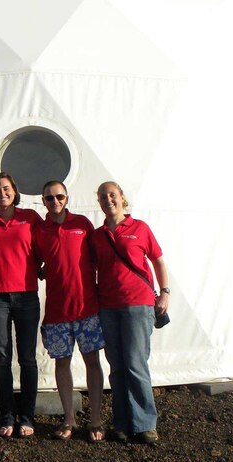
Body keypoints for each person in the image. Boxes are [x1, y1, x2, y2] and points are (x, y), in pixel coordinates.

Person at [91, 181, 169, 446]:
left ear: (122, 198)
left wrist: (165, 292)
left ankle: (145, 424)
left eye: (112, 195)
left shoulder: (140, 228)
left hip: (138, 304)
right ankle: (122, 423)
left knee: (135, 364)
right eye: (103, 196)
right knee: (117, 366)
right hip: (108, 307)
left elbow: (158, 260)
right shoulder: (97, 235)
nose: (108, 199)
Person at [32, 181, 106, 442]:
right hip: (57, 311)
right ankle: (69, 419)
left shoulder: (82, 224)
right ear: (43, 201)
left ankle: (95, 419)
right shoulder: (39, 230)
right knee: (61, 363)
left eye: (59, 196)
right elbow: (36, 262)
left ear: (66, 197)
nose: (55, 201)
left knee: (92, 362)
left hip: (87, 309)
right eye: (49, 197)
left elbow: (99, 258)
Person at [0, 172, 43, 438]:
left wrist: (40, 268)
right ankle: (7, 414)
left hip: (27, 295)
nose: (1, 193)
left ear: (15, 191)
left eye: (5, 188)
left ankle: (27, 415)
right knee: (3, 358)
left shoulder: (30, 218)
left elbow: (46, 246)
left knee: (27, 358)